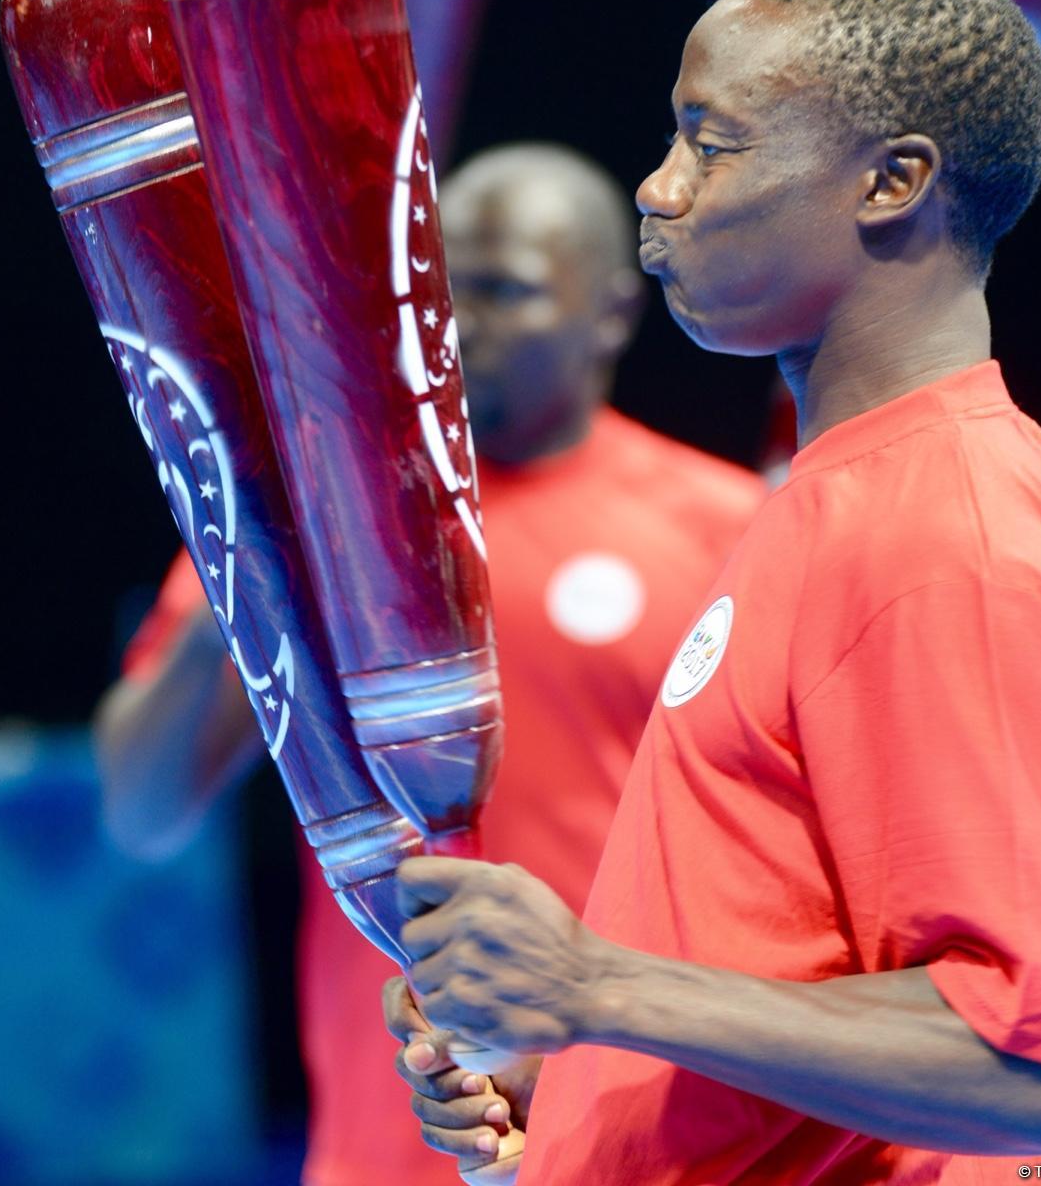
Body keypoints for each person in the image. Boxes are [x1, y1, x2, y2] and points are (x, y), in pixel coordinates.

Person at [384, 0, 1041, 1186]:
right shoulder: (835, 503)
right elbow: (795, 964)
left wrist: (594, 986)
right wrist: (577, 1075)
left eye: (711, 141)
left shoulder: (943, 539)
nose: (656, 187)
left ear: (893, 181)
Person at [94, 142, 767, 1186]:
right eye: (433, 287)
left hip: (642, 1150)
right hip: (380, 1152)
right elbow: (142, 809)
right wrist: (252, 535)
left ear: (611, 314)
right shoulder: (322, 516)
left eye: (503, 289)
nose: (453, 325)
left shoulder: (734, 531)